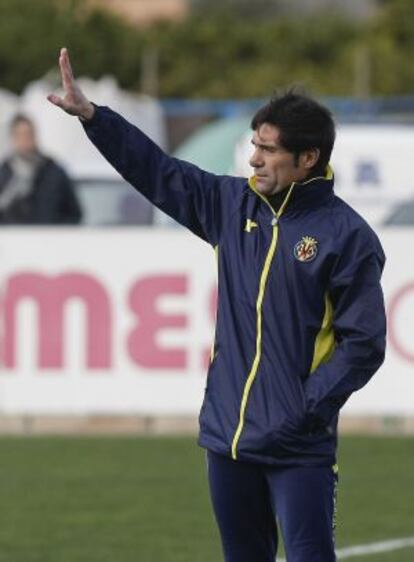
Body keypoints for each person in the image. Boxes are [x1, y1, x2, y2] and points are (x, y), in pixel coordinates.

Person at [48, 48, 386, 562]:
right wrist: (95, 118)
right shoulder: (231, 206)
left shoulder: (347, 237)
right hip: (227, 442)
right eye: (255, 144)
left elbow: (363, 345)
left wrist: (304, 408)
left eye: (269, 150)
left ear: (308, 158)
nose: (254, 158)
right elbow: (156, 170)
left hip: (299, 449)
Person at [0, 113, 82, 224]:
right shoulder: (3, 175)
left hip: (50, 238)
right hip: (13, 239)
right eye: (21, 135)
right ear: (13, 138)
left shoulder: (55, 172)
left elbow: (74, 214)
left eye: (29, 134)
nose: (25, 139)